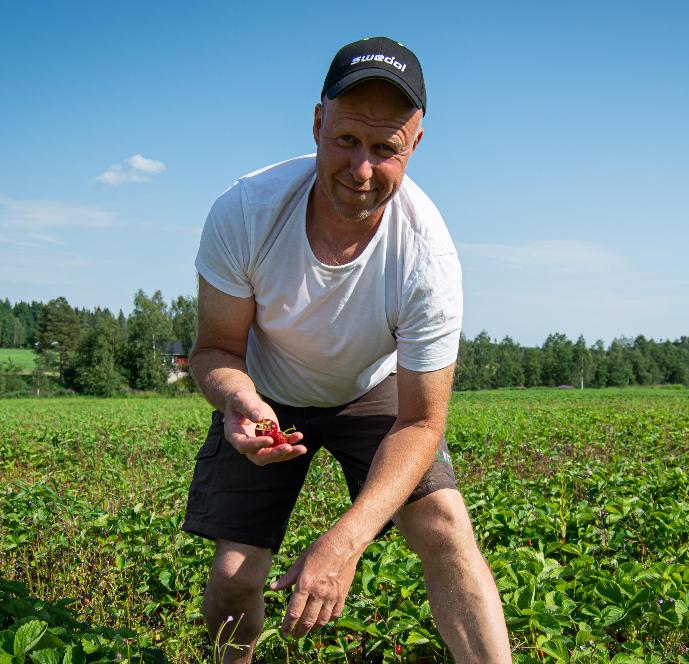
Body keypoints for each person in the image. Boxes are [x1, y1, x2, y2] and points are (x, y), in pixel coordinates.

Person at [185, 36, 512, 663]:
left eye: (385, 148)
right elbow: (215, 349)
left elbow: (421, 421)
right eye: (345, 141)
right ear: (316, 123)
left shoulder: (427, 258)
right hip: (270, 392)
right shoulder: (246, 213)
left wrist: (345, 541)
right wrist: (238, 397)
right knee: (233, 577)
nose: (361, 170)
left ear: (415, 144)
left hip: (375, 390)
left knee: (445, 528)